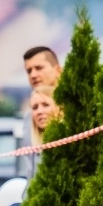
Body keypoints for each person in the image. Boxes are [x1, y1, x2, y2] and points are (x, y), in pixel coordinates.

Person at [19, 47, 62, 180]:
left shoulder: (77, 110)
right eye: (29, 71)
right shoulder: (29, 117)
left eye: (39, 68)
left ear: (57, 70)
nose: (33, 75)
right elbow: (30, 168)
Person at [22, 85, 61, 179]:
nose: (39, 111)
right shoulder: (34, 150)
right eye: (35, 107)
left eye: (45, 105)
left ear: (60, 108)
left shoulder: (68, 143)